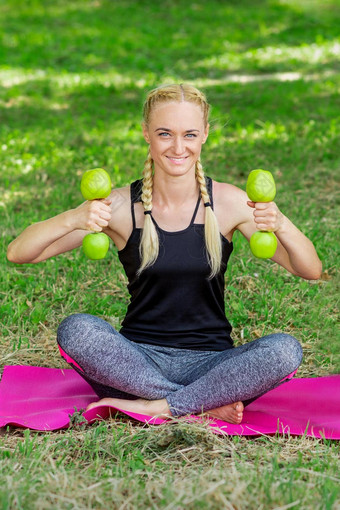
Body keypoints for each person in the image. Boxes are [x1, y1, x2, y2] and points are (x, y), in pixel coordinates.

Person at [7, 84, 322, 425]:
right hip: (136, 363)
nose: (177, 147)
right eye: (164, 134)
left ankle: (159, 406)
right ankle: (200, 403)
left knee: (284, 350)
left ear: (204, 135)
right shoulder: (119, 206)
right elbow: (20, 253)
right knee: (77, 330)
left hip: (211, 362)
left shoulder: (230, 203)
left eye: (189, 134)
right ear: (146, 134)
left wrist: (282, 223)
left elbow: (309, 269)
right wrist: (73, 217)